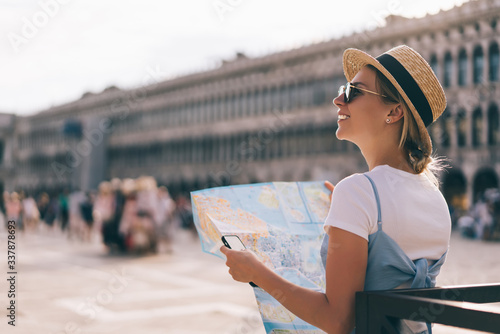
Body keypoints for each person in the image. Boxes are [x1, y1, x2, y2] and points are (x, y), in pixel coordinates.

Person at [221, 45, 451, 334]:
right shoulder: (435, 198)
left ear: (394, 111)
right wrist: (350, 213)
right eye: (345, 88)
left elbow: (338, 321)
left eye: (354, 91)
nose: (338, 99)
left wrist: (257, 273)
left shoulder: (359, 192)